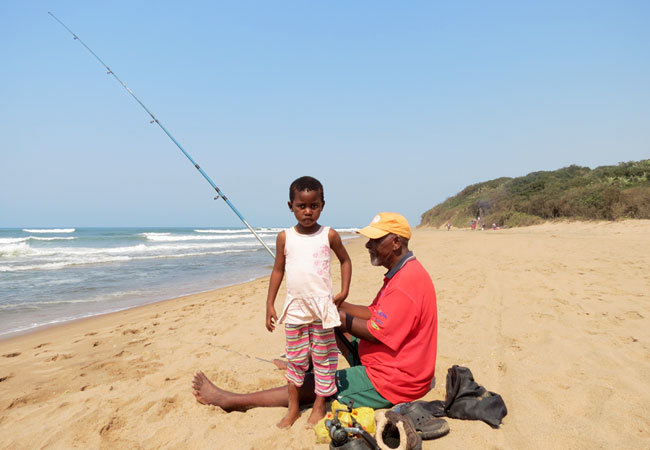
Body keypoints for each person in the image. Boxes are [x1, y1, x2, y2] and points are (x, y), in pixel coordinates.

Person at [192, 212, 437, 421]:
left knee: (322, 382)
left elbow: (375, 331)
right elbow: (375, 313)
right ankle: (302, 364)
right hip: (393, 362)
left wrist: (333, 315)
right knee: (330, 322)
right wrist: (339, 304)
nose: (368, 245)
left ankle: (232, 400)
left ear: (395, 242)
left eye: (375, 240)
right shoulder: (402, 272)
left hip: (394, 381)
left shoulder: (407, 282)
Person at [265, 176, 352, 428]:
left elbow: (345, 260)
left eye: (313, 206)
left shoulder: (329, 235)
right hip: (295, 311)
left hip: (322, 310)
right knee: (296, 359)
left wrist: (344, 290)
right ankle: (293, 408)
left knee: (324, 358)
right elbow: (278, 271)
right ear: (290, 205)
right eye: (301, 206)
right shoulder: (285, 237)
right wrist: (270, 303)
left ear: (322, 205)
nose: (307, 211)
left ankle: (318, 404)